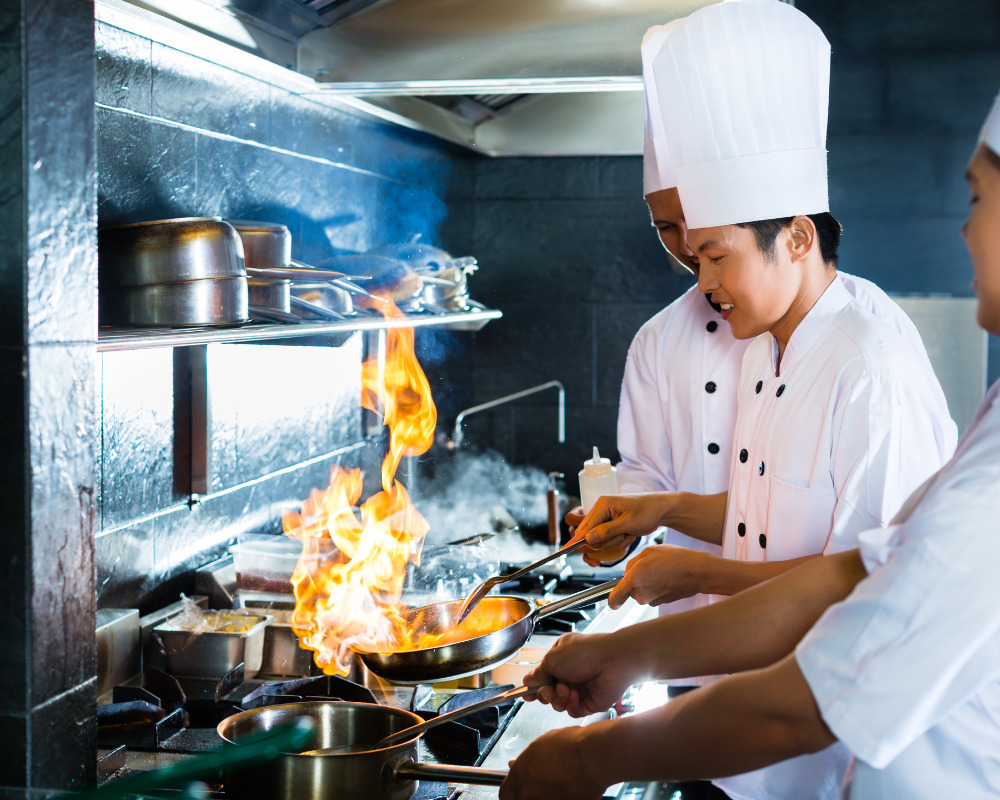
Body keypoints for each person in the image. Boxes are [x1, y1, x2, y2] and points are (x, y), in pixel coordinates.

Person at [499, 92, 1000, 800]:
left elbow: (830, 671)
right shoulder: (774, 345)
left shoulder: (872, 365)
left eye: (980, 197)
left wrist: (590, 756)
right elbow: (848, 574)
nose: (965, 228)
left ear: (796, 238)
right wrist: (627, 650)